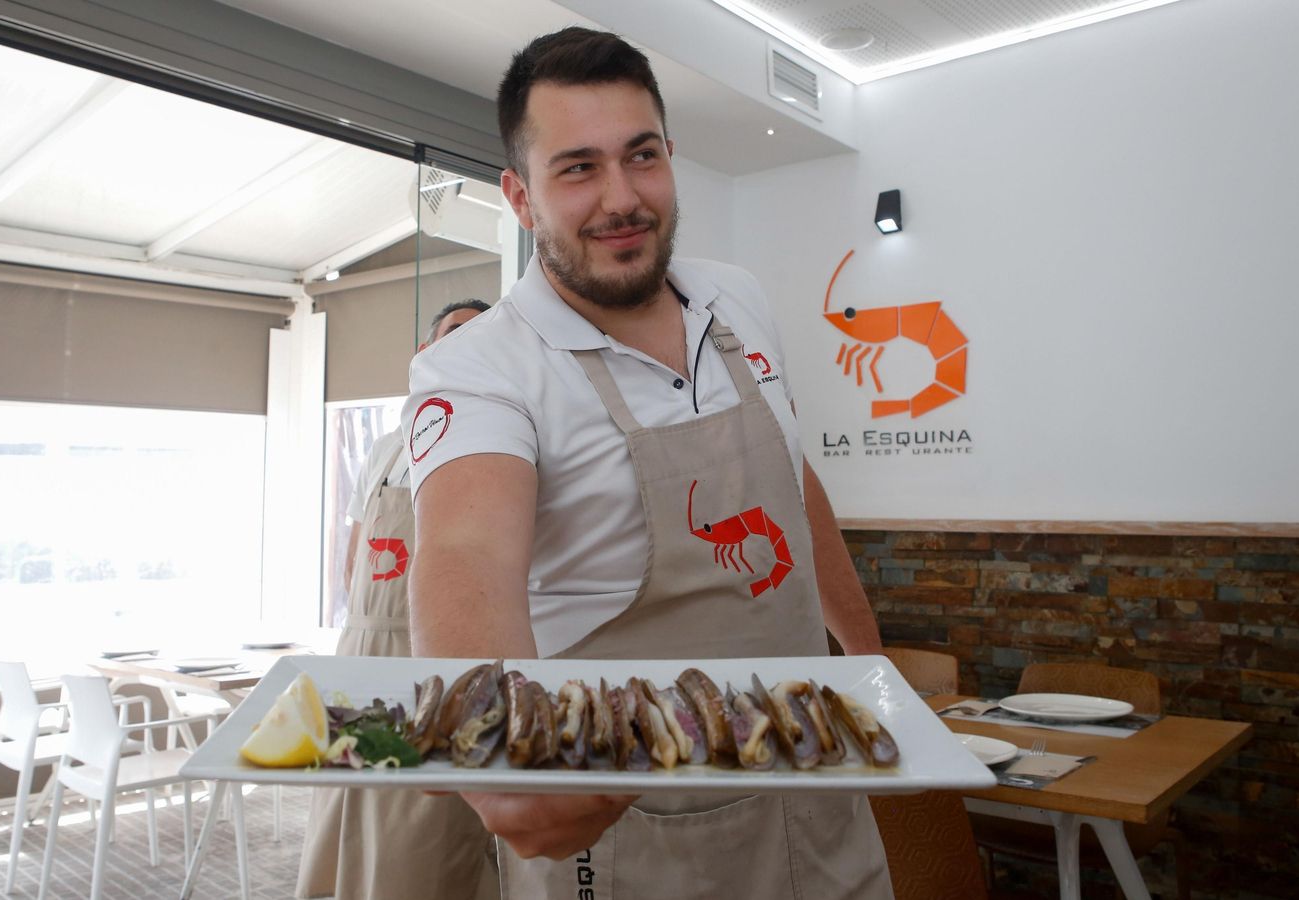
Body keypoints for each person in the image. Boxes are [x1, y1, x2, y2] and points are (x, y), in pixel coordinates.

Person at [404, 27, 893, 900]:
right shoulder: (480, 367)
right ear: (520, 197)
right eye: (579, 168)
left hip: (816, 792)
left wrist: (870, 659)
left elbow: (791, 483)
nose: (622, 198)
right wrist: (500, 749)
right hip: (626, 833)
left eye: (642, 156)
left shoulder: (735, 298)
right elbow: (463, 551)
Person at [296, 298, 496, 900]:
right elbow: (355, 560)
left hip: (432, 650)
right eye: (454, 334)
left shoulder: (493, 447)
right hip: (361, 651)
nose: (466, 346)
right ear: (424, 354)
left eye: (481, 338)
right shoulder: (386, 445)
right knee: (345, 807)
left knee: (422, 826)